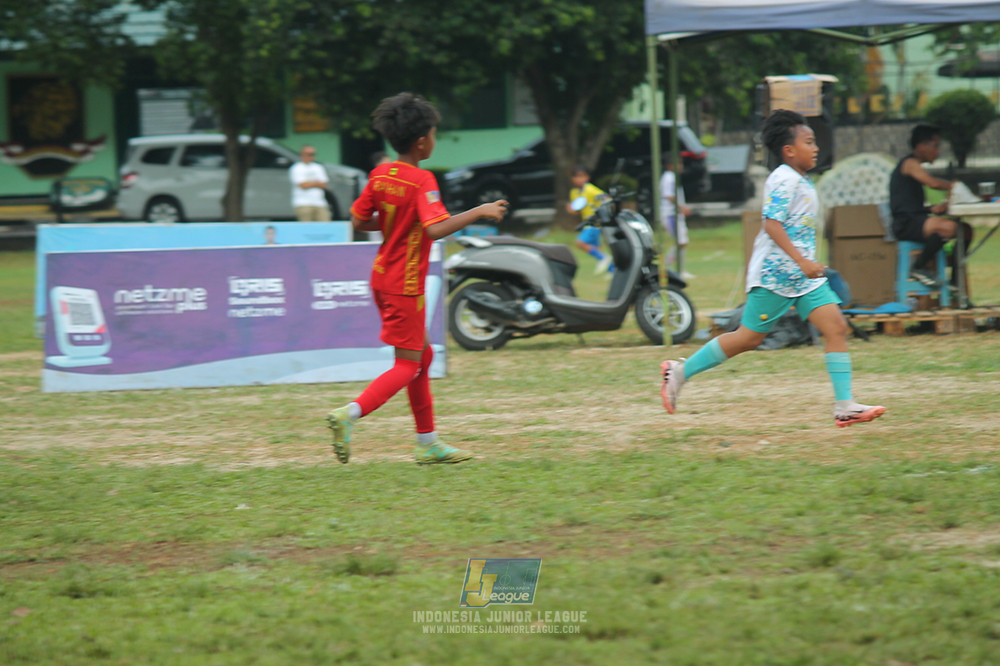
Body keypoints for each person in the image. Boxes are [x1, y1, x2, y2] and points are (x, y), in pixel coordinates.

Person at [659, 109, 885, 429]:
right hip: (775, 276)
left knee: (835, 326)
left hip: (803, 279)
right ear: (789, 150)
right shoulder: (783, 178)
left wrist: (808, 264)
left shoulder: (802, 180)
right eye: (809, 142)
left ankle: (845, 406)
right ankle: (678, 372)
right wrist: (803, 261)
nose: (816, 147)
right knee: (748, 338)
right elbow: (772, 225)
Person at [326, 92, 508, 465]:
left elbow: (359, 220)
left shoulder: (381, 174)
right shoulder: (421, 180)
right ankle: (349, 414)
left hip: (380, 278)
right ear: (422, 140)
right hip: (404, 285)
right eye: (434, 134)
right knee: (408, 365)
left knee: (421, 356)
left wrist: (396, 223)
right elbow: (436, 229)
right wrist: (480, 211)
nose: (435, 140)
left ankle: (427, 442)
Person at [889, 123, 972, 289]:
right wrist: (953, 185)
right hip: (906, 224)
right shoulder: (910, 163)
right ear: (921, 146)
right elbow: (932, 183)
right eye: (935, 146)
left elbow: (908, 201)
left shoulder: (913, 165)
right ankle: (919, 266)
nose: (938, 151)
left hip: (916, 217)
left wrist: (930, 209)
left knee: (966, 230)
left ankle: (956, 278)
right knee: (949, 228)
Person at [567, 165, 613, 275]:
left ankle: (604, 258)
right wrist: (571, 210)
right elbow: (577, 210)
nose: (580, 179)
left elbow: (606, 198)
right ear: (572, 178)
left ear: (587, 177)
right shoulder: (574, 192)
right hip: (586, 222)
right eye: (577, 177)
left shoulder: (590, 189)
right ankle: (612, 270)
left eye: (582, 176)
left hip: (594, 222)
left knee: (580, 243)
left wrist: (601, 210)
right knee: (595, 248)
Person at [660, 154, 695, 279]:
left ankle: (674, 269)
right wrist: (681, 207)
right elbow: (669, 196)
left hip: (675, 214)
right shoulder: (669, 178)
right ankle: (667, 268)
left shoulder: (672, 177)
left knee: (682, 242)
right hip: (670, 214)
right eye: (679, 163)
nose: (681, 166)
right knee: (680, 242)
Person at [289, 145, 331, 221]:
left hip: (320, 203)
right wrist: (316, 182)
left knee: (325, 226)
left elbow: (324, 184)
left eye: (313, 154)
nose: (311, 156)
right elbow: (303, 185)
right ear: (302, 155)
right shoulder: (296, 168)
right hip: (303, 203)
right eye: (309, 154)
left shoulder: (318, 167)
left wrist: (309, 183)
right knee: (306, 229)